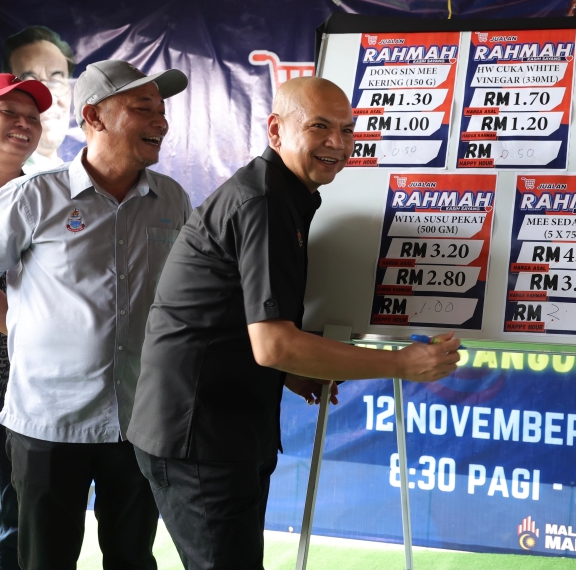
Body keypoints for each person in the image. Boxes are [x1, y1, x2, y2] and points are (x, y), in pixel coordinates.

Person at [128, 76, 460, 569]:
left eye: (347, 130)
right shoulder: (263, 200)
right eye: (319, 127)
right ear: (276, 130)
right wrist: (401, 364)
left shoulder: (283, 194)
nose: (337, 142)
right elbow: (275, 345)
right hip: (199, 435)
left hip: (222, 426)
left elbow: (229, 316)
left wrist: (289, 371)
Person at [0, 60, 193, 570]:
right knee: (45, 560)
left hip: (139, 420)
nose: (160, 121)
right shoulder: (32, 197)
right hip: (48, 421)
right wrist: (16, 322)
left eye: (162, 109)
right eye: (143, 108)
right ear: (94, 116)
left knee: (132, 558)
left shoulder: (172, 199)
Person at [0, 73, 51, 570]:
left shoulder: (41, 193)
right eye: (8, 113)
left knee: (15, 514)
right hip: (20, 351)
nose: (23, 124)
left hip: (23, 380)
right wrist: (23, 325)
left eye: (32, 117)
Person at [1, 26, 81, 172]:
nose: (49, 98)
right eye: (30, 82)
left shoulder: (74, 175)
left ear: (70, 94)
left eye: (56, 81)